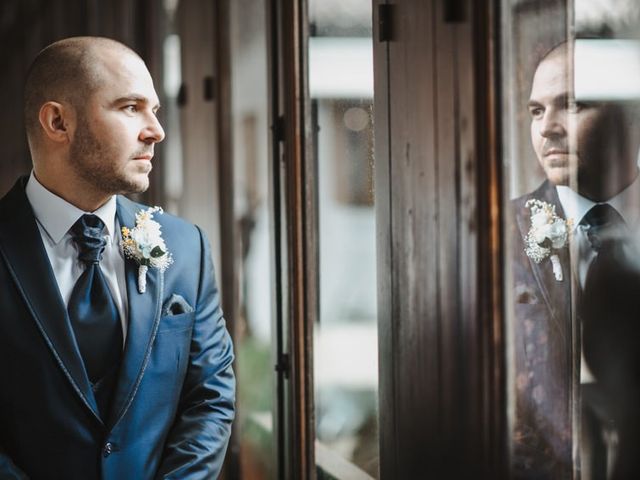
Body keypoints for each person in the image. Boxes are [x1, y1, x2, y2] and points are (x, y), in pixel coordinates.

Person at [0, 36, 235, 479]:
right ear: (57, 121)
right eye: (130, 107)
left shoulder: (187, 247)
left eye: (155, 110)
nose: (155, 130)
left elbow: (210, 396)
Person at [511, 41, 640, 479]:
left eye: (571, 105)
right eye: (535, 111)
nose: (547, 129)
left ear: (630, 115)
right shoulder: (497, 236)